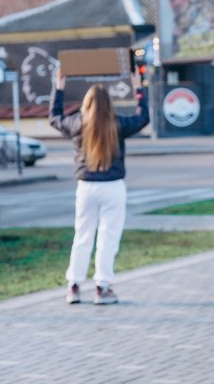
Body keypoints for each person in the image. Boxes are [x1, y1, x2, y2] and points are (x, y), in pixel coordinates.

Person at [49, 72, 149, 305]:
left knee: (82, 237)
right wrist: (138, 89)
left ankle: (73, 287)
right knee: (108, 238)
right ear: (109, 104)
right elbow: (143, 117)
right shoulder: (118, 124)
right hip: (113, 187)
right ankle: (102, 288)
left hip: (86, 188)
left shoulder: (77, 123)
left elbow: (54, 118)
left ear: (87, 103)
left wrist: (59, 88)